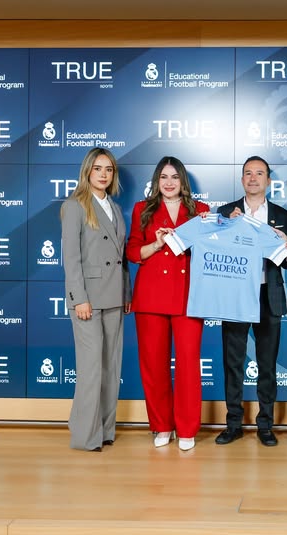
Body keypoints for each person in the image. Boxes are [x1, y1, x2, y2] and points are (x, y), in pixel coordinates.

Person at [214, 156, 287, 447]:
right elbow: (215, 251)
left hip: (268, 295)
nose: (253, 178)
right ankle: (233, 424)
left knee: (267, 364)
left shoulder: (282, 215)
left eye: (259, 173)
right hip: (235, 297)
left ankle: (266, 424)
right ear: (242, 180)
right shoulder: (225, 212)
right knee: (233, 363)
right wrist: (228, 228)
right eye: (248, 173)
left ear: (268, 181)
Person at [126, 156, 209, 451]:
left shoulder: (200, 211)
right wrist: (158, 244)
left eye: (175, 177)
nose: (169, 182)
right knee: (153, 364)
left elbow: (211, 251)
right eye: (163, 177)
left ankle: (186, 428)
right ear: (156, 181)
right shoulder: (142, 209)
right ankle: (162, 425)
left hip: (189, 296)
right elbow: (133, 251)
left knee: (188, 364)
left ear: (183, 180)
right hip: (151, 295)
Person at [61, 147, 130, 452]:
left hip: (114, 295)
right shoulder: (74, 206)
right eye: (98, 168)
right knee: (90, 369)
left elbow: (121, 256)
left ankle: (104, 430)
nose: (103, 174)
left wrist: (126, 292)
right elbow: (71, 258)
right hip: (88, 298)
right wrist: (79, 299)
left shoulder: (114, 207)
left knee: (110, 367)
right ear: (87, 171)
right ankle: (85, 437)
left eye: (109, 169)